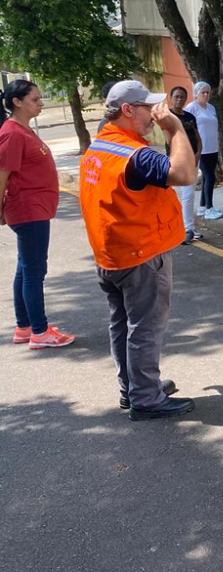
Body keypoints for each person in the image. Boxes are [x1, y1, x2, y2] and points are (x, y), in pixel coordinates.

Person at [79, 81, 196, 420]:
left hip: (110, 256)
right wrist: (174, 130)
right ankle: (147, 398)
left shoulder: (99, 147)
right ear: (128, 110)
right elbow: (184, 173)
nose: (153, 115)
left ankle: (133, 388)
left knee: (122, 325)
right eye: (147, 108)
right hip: (140, 256)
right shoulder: (136, 155)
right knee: (145, 328)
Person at [1, 80, 75, 349]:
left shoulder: (22, 130)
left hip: (35, 209)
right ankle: (40, 332)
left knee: (25, 268)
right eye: (35, 99)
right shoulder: (12, 133)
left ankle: (25, 327)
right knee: (34, 272)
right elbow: (3, 174)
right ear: (17, 102)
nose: (41, 103)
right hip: (28, 210)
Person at [168, 86, 202, 244]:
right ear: (171, 97)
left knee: (189, 194)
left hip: (193, 159)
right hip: (178, 160)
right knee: (185, 195)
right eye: (176, 96)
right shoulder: (168, 116)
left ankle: (187, 228)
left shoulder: (189, 116)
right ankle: (187, 229)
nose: (179, 99)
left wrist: (197, 153)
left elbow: (197, 136)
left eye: (182, 97)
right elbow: (169, 139)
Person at [184, 81, 223, 220]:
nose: (206, 95)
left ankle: (202, 206)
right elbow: (187, 129)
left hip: (213, 147)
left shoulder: (211, 108)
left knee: (208, 177)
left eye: (208, 92)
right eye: (203, 92)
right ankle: (209, 209)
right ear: (196, 94)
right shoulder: (191, 108)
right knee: (210, 176)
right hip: (202, 149)